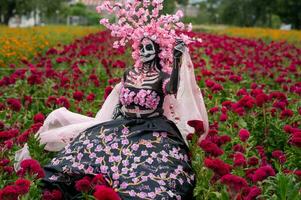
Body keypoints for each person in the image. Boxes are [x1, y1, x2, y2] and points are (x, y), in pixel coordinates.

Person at [14, 1, 209, 199]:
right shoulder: (129, 74)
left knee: (153, 169)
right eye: (141, 48)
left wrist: (177, 61)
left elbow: (174, 89)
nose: (144, 52)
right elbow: (118, 105)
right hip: (124, 124)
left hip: (154, 128)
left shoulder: (162, 77)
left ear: (157, 51)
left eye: (149, 48)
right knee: (88, 150)